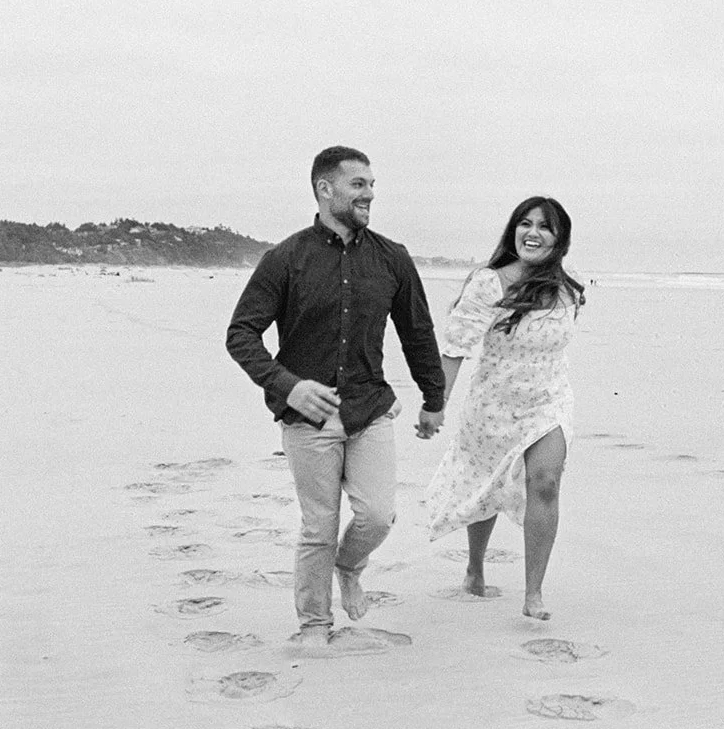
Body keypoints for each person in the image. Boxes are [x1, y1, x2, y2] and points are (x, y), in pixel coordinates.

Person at [226, 146, 445, 640]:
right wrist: (289, 386)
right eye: (358, 184)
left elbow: (417, 332)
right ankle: (313, 624)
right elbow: (240, 334)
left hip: (371, 410)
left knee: (376, 516)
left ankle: (349, 567)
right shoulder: (285, 259)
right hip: (308, 420)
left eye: (371, 185)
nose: (369, 194)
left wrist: (434, 400)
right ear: (325, 190)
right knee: (318, 527)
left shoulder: (393, 258)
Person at [425, 196, 584, 620]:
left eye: (545, 227)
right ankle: (475, 570)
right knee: (485, 486)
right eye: (525, 224)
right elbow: (457, 346)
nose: (533, 233)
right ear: (513, 231)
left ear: (559, 238)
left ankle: (534, 594)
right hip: (493, 404)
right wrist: (435, 404)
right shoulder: (488, 284)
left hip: (548, 402)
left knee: (546, 482)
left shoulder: (570, 291)